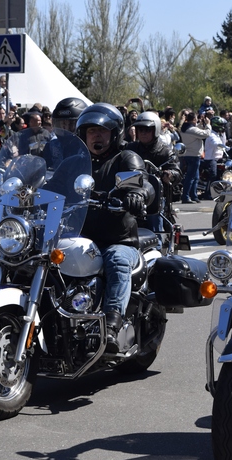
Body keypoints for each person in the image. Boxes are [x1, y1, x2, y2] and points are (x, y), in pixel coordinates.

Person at [76, 103, 150, 353]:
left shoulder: (125, 158)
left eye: (102, 131)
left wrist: (137, 194)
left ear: (115, 133)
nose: (96, 136)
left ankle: (111, 324)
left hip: (119, 241)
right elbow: (53, 183)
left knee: (116, 259)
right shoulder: (77, 161)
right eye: (91, 131)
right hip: (80, 239)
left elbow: (141, 181)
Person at [126, 110, 181, 231]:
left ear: (155, 130)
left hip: (155, 195)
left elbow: (177, 171)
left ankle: (157, 244)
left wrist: (170, 175)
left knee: (154, 217)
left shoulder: (165, 151)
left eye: (147, 130)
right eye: (140, 130)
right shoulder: (130, 148)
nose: (143, 133)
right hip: (132, 191)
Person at [179, 111, 210, 203]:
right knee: (190, 177)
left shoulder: (185, 129)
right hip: (194, 155)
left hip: (188, 154)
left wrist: (200, 124)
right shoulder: (191, 130)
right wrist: (208, 125)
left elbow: (196, 131)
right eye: (196, 119)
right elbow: (205, 134)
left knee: (195, 177)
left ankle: (194, 195)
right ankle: (185, 196)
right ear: (193, 120)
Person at [200, 116, 227, 199]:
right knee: (212, 176)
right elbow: (216, 144)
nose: (222, 127)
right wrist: (226, 147)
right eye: (221, 125)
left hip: (218, 158)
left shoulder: (217, 135)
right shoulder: (211, 135)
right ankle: (208, 194)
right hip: (211, 159)